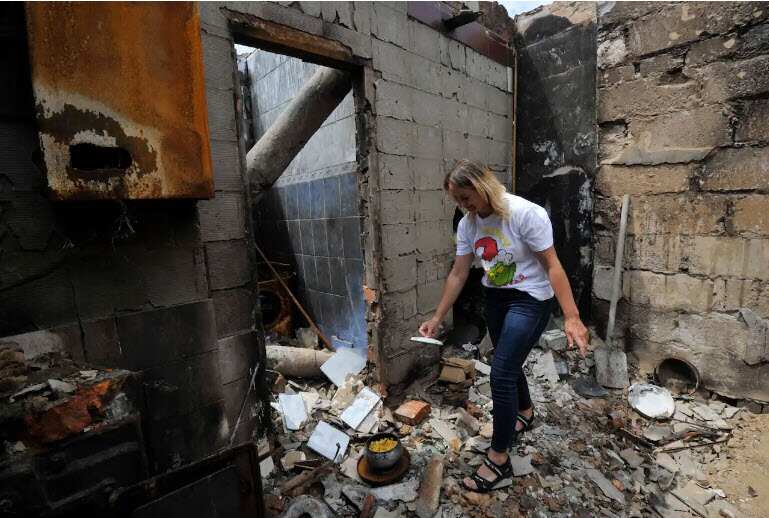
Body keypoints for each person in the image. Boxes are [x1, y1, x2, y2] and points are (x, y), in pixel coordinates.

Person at [418, 159, 590, 493]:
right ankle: (525, 410)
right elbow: (458, 273)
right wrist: (437, 318)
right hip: (496, 298)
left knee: (500, 373)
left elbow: (553, 266)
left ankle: (499, 460)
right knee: (507, 364)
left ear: (482, 186)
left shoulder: (524, 214)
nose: (463, 206)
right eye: (457, 200)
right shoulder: (468, 225)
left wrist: (572, 316)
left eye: (466, 198)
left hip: (531, 298)